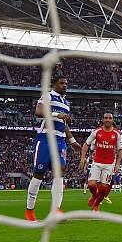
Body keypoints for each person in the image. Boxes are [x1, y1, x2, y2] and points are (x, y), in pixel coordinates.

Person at [25, 75, 81, 222]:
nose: (65, 85)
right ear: (54, 84)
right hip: (45, 138)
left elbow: (64, 124)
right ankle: (30, 211)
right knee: (39, 173)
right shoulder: (48, 96)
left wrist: (72, 140)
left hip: (60, 140)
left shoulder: (66, 102)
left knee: (60, 171)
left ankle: (56, 210)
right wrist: (57, 114)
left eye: (66, 83)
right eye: (62, 83)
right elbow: (38, 111)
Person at [79, 113, 122, 211]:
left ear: (112, 120)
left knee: (104, 188)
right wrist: (82, 159)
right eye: (106, 118)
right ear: (103, 120)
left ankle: (96, 205)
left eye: (110, 118)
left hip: (110, 164)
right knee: (91, 184)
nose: (108, 120)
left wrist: (118, 164)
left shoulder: (117, 134)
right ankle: (95, 196)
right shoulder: (96, 132)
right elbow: (86, 144)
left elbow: (120, 150)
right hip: (97, 162)